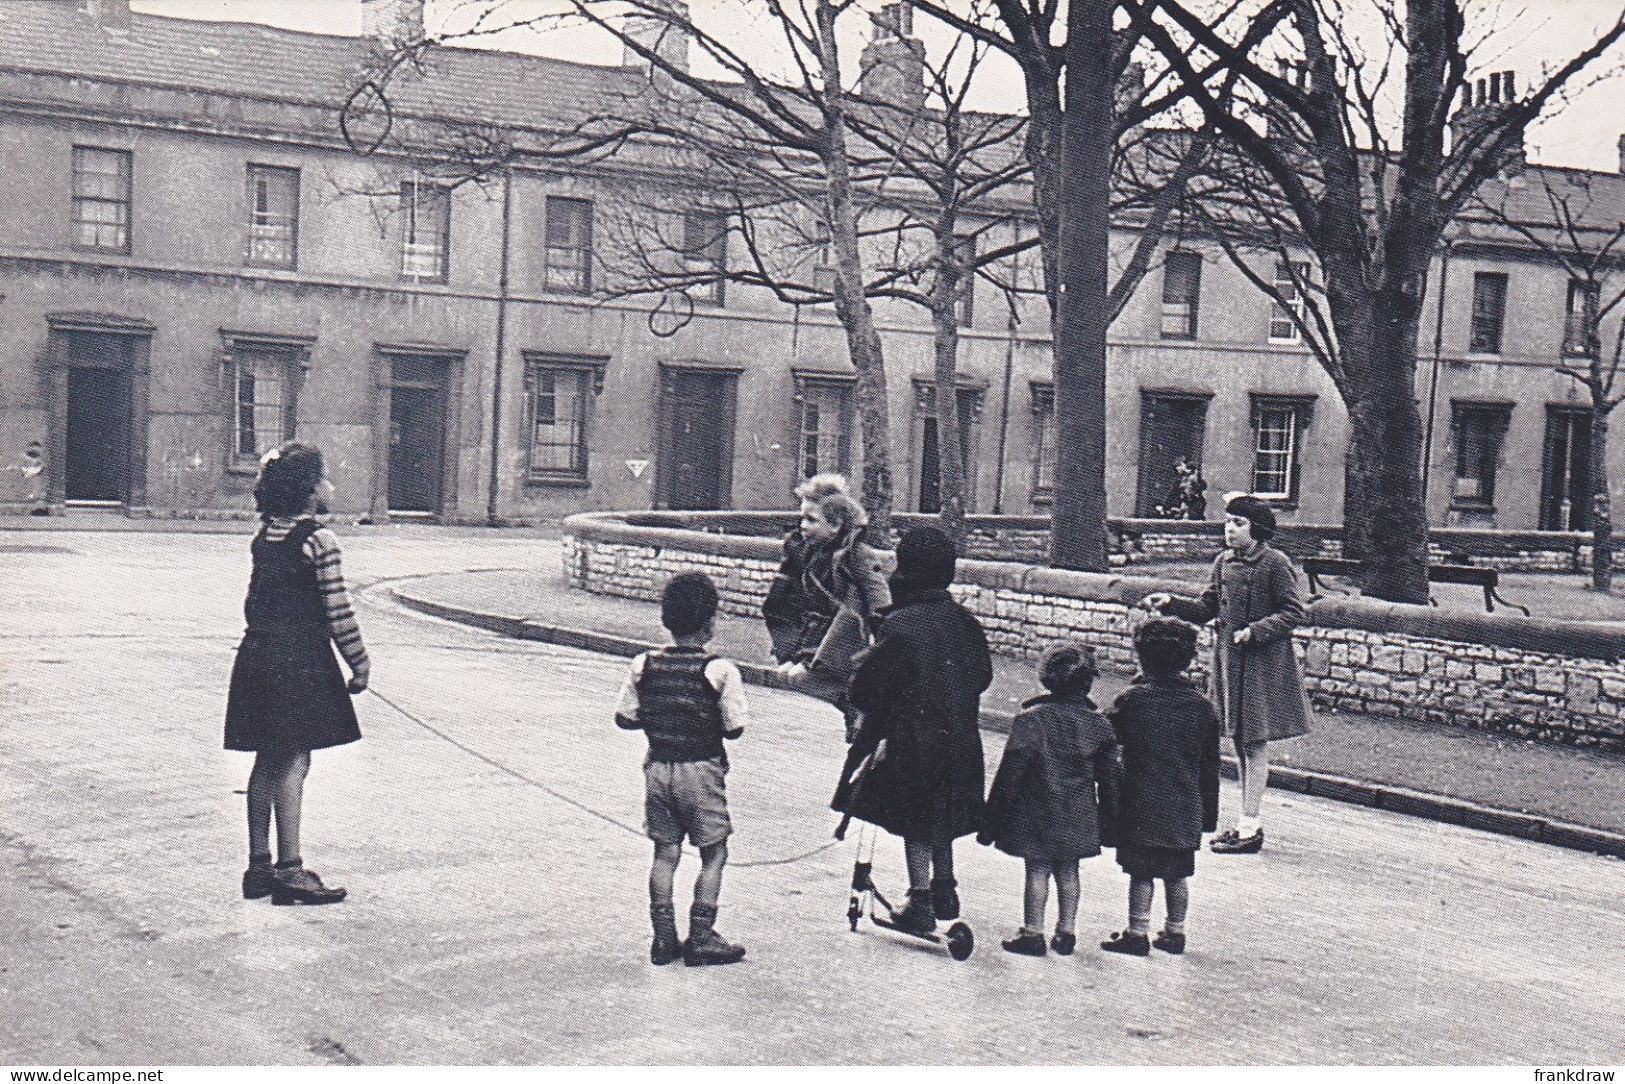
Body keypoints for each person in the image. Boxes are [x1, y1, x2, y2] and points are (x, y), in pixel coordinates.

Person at [225, 442, 368, 906]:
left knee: (266, 760)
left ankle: (258, 867)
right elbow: (338, 610)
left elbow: (255, 601)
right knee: (294, 759)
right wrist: (359, 662)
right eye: (323, 477)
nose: (329, 484)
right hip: (298, 660)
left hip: (257, 655)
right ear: (309, 490)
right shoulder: (318, 540)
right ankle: (291, 870)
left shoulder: (265, 535)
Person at [831, 526, 992, 932]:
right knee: (941, 816)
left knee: (916, 820)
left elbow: (866, 691)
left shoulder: (900, 625)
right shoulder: (966, 624)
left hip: (911, 741)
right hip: (959, 738)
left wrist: (863, 666)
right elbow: (982, 677)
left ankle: (920, 900)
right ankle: (945, 886)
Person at [1142, 493, 1312, 854]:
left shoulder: (1275, 563)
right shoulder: (1223, 562)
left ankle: (1250, 826)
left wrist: (1256, 630)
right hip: (1228, 663)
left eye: (1238, 523)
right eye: (1228, 522)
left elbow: (1294, 611)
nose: (1229, 529)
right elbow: (1206, 607)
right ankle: (1245, 823)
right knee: (1238, 741)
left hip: (1261, 665)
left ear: (1258, 528)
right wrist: (1170, 602)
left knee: (1253, 743)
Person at [614, 572, 752, 967]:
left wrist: (661, 717)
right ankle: (702, 934)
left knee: (665, 851)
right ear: (711, 622)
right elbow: (734, 727)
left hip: (657, 767)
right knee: (714, 852)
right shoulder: (720, 670)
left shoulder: (644, 663)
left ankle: (663, 938)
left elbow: (625, 718)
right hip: (702, 770)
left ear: (665, 619)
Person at [978, 643, 1119, 958]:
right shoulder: (1099, 724)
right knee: (1069, 871)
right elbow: (1110, 780)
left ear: (1046, 678)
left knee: (1037, 870)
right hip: (1079, 813)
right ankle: (1066, 931)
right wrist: (1112, 823)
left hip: (1037, 811)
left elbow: (1009, 776)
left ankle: (1033, 932)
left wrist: (991, 822)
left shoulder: (1032, 719)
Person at [1100, 618, 1221, 956]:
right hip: (1184, 805)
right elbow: (1209, 768)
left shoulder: (1131, 701)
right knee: (1177, 873)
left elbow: (1107, 743)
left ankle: (1137, 931)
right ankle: (1175, 931)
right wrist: (1207, 817)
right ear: (1189, 658)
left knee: (1142, 871)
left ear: (1141, 656)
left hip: (1140, 803)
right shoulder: (1202, 707)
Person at [763, 474, 890, 739]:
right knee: (788, 674)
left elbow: (878, 594)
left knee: (802, 677)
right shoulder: (805, 551)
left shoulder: (857, 554)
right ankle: (852, 704)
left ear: (835, 526)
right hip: (813, 632)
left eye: (811, 520)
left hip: (844, 635)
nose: (802, 526)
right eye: (802, 518)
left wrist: (883, 632)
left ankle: (855, 704)